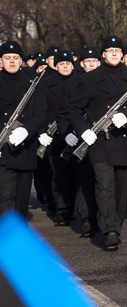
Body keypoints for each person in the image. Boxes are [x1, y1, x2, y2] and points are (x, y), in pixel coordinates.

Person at [67, 35, 127, 250]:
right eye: (109, 50)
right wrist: (84, 131)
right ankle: (110, 230)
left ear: (122, 54)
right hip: (99, 143)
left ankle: (116, 224)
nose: (114, 53)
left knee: (121, 189)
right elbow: (74, 108)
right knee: (105, 187)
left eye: (117, 50)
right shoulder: (89, 79)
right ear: (103, 54)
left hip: (123, 141)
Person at [0, 41, 47, 217]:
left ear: (22, 61)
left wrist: (26, 130)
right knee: (5, 196)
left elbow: (40, 114)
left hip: (24, 150)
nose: (12, 61)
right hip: (2, 150)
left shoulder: (33, 85)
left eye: (15, 58)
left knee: (21, 199)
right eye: (7, 58)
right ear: (1, 61)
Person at [58, 45, 101, 236]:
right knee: (84, 179)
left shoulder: (106, 82)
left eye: (95, 61)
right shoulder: (70, 85)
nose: (91, 64)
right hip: (79, 138)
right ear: (81, 64)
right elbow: (63, 113)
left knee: (102, 181)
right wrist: (66, 133)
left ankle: (102, 218)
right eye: (87, 62)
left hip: (102, 140)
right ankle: (87, 218)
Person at [38, 50, 76, 225]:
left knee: (75, 173)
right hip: (53, 134)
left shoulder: (80, 82)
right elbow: (40, 111)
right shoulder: (45, 85)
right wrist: (43, 132)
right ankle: (61, 208)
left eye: (68, 63)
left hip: (75, 133)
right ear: (56, 65)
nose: (65, 66)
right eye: (62, 64)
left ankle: (73, 207)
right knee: (58, 173)